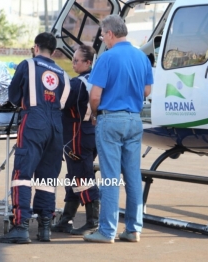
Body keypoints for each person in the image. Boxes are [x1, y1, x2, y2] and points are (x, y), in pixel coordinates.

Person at [83, 14, 153, 243]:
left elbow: (95, 95)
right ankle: (133, 230)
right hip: (134, 120)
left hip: (111, 119)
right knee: (133, 177)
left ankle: (107, 231)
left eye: (103, 35)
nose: (103, 39)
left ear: (111, 34)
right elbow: (146, 91)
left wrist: (94, 113)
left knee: (111, 177)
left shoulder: (107, 57)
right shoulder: (141, 57)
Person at [0, 32, 70, 244]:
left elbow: (13, 95)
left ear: (35, 47)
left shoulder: (28, 64)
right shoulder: (63, 75)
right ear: (54, 51)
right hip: (56, 126)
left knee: (23, 174)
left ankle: (20, 226)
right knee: (47, 177)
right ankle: (45, 227)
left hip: (34, 122)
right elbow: (63, 103)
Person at [51, 45, 100, 235]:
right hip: (89, 131)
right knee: (75, 176)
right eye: (73, 59)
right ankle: (66, 219)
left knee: (82, 177)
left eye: (77, 60)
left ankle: (92, 220)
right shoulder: (95, 81)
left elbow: (59, 104)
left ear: (88, 62)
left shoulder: (78, 83)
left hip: (76, 134)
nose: (73, 63)